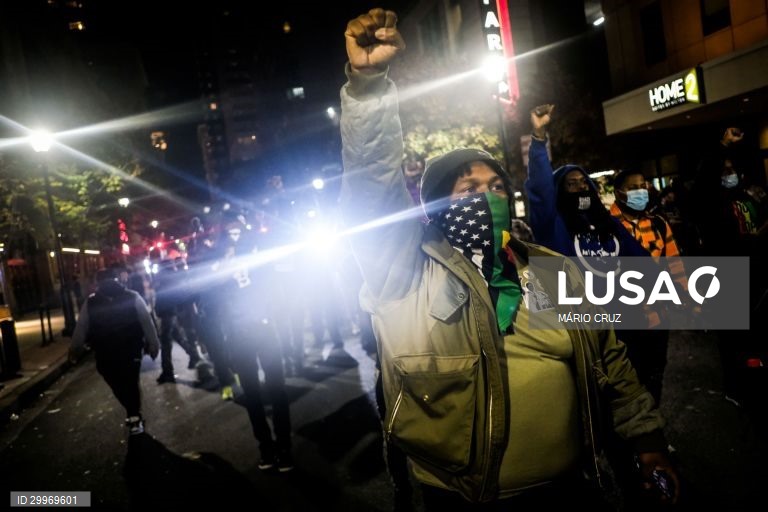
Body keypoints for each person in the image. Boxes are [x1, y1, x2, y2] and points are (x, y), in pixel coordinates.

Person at [339, 8, 679, 509]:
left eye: (497, 186)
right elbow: (371, 185)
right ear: (435, 207)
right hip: (462, 499)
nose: (487, 197)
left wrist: (646, 441)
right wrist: (368, 87)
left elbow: (609, 360)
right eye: (469, 188)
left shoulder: (550, 269)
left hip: (572, 492)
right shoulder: (405, 272)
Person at [69, 268, 159, 436]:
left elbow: (81, 327)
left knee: (119, 383)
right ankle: (133, 412)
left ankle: (133, 415)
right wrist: (153, 344)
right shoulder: (133, 297)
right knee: (130, 382)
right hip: (129, 350)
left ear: (97, 283)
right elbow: (147, 322)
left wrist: (75, 349)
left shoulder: (91, 302)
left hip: (106, 352)